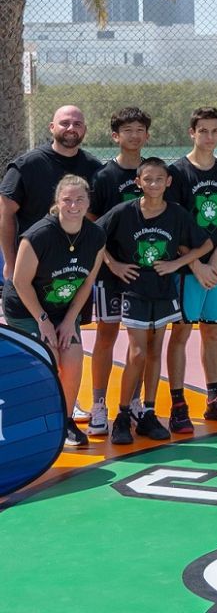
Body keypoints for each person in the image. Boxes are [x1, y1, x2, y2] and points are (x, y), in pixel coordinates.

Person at [98, 158, 211, 444]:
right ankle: (123, 415)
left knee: (155, 351)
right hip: (135, 290)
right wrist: (114, 265)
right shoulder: (124, 212)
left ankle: (148, 413)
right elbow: (93, 237)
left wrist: (177, 264)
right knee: (136, 352)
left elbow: (205, 244)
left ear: (168, 182)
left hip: (162, 291)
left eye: (159, 179)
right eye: (147, 179)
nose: (153, 184)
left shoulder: (176, 214)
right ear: (138, 182)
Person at [3, 175, 105, 448]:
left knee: (72, 358)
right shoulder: (38, 236)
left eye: (79, 199)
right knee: (46, 357)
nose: (73, 205)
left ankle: (66, 420)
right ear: (57, 203)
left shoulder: (95, 236)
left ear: (88, 202)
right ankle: (30, 421)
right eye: (67, 200)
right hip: (27, 308)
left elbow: (87, 283)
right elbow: (20, 282)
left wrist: (70, 320)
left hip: (63, 309)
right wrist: (44, 321)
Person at [163, 108, 217, 431]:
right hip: (187, 270)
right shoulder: (178, 173)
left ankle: (214, 400)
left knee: (213, 331)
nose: (209, 137)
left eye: (214, 131)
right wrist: (195, 264)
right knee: (181, 333)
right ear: (191, 133)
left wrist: (214, 263)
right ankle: (179, 404)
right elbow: (173, 224)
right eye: (203, 131)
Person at [85, 106, 151, 436]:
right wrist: (112, 262)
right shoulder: (103, 178)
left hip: (145, 274)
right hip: (111, 272)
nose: (134, 135)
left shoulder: (155, 173)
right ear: (116, 136)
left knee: (140, 341)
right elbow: (92, 227)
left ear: (147, 135)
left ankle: (134, 403)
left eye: (140, 130)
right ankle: (99, 404)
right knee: (106, 337)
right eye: (127, 130)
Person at [1, 105, 103, 282]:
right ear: (51, 127)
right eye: (65, 123)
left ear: (84, 130)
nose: (71, 128)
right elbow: (5, 214)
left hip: (77, 267)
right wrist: (10, 263)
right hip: (35, 267)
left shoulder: (94, 167)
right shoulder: (26, 166)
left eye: (77, 124)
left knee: (78, 311)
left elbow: (96, 217)